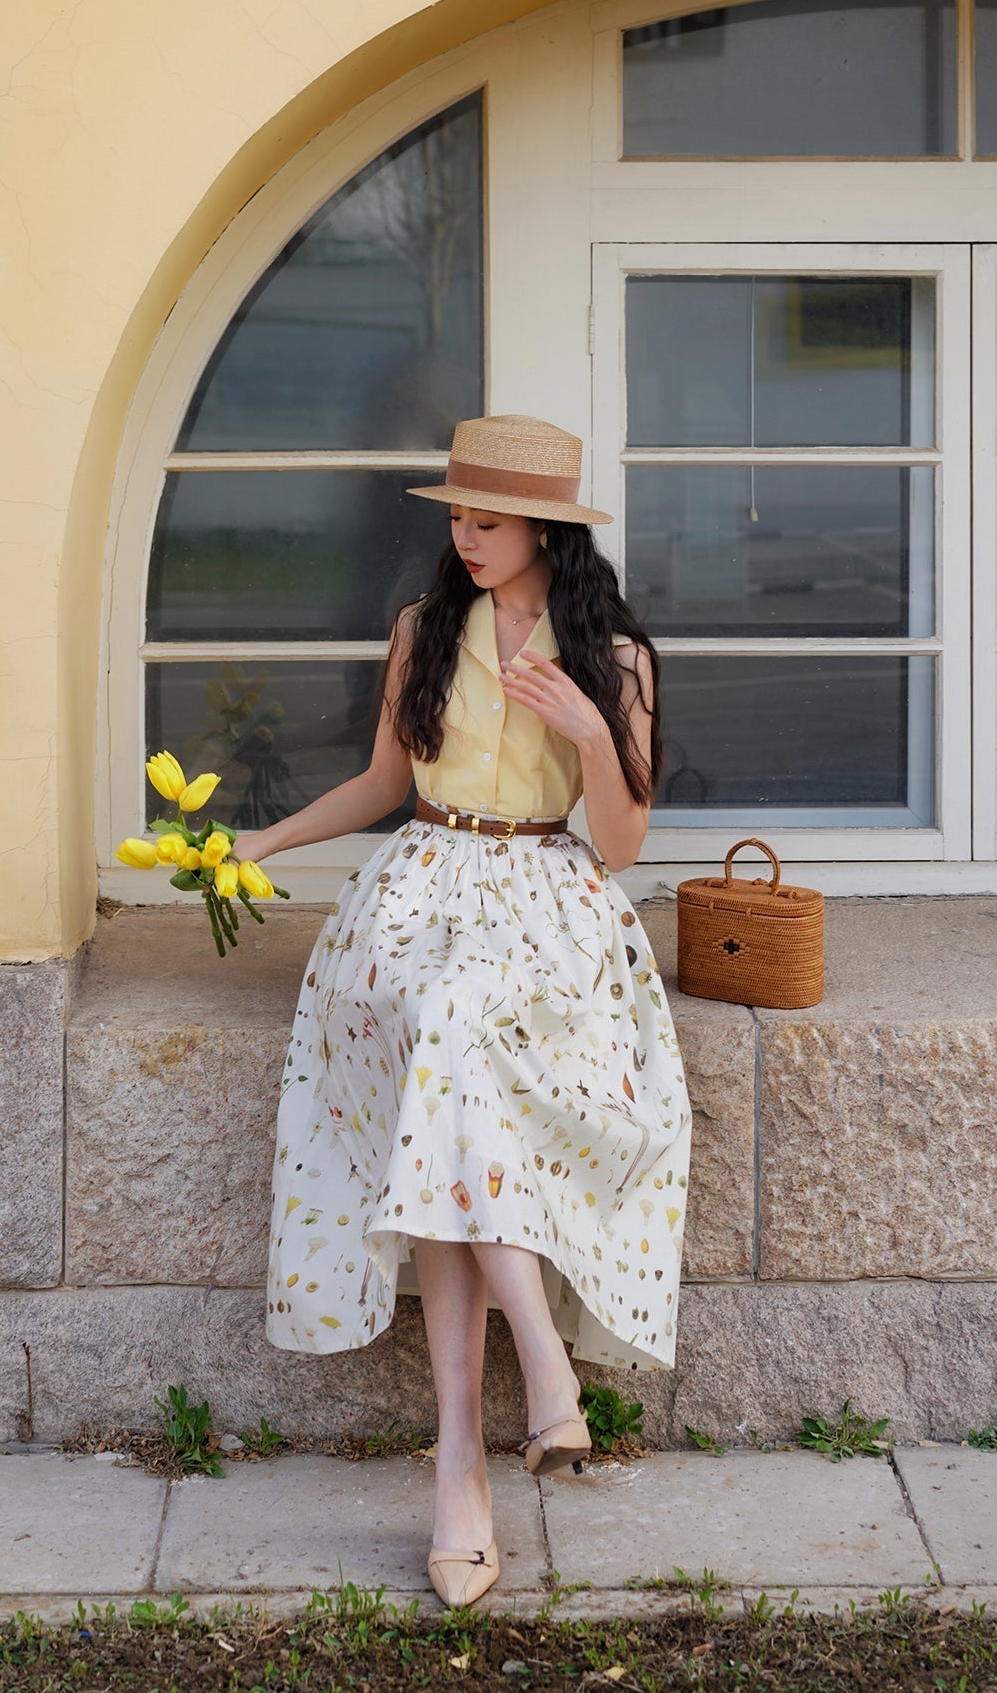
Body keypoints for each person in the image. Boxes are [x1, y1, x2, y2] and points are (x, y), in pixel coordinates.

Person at [237, 414, 692, 1609]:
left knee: (454, 1053)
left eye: (486, 521)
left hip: (549, 903)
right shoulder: (424, 631)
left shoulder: (619, 657)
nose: (465, 538)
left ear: (546, 526)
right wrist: (262, 843)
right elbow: (389, 787)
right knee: (444, 1023)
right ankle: (538, 1372)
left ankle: (461, 1474)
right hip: (422, 893)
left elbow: (624, 847)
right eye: (456, 517)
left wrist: (591, 727)